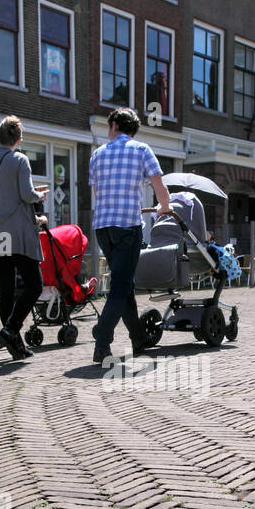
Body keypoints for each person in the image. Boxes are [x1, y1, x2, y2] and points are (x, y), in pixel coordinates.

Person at [88, 107, 173, 364]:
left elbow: (96, 195)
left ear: (114, 125)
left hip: (103, 227)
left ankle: (138, 338)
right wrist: (164, 207)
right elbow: (159, 184)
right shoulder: (141, 150)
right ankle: (102, 338)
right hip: (127, 226)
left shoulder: (97, 154)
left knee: (125, 285)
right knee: (121, 285)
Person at [0, 116, 46, 360]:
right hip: (18, 233)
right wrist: (40, 196)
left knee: (5, 288)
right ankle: (11, 329)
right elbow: (27, 194)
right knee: (34, 284)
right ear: (19, 139)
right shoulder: (20, 160)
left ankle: (15, 345)